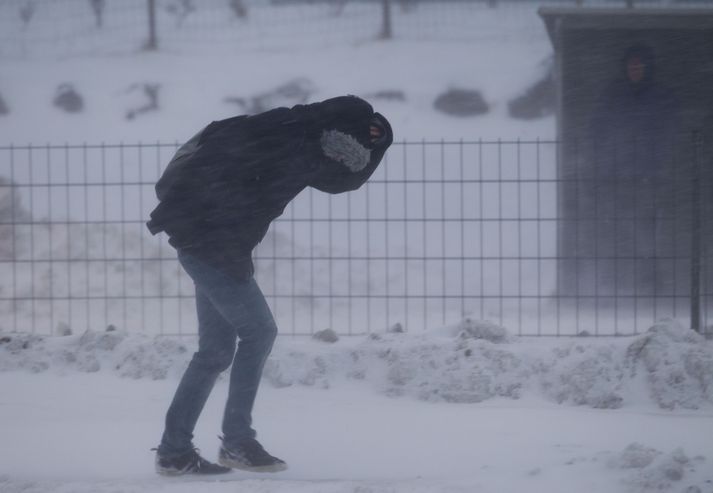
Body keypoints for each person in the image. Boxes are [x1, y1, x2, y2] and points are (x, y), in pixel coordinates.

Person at [146, 95, 393, 476]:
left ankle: (174, 451)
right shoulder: (302, 148)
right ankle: (237, 441)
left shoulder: (282, 127)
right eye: (356, 141)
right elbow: (346, 178)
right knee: (260, 332)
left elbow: (340, 172)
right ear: (341, 136)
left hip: (202, 239)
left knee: (214, 351)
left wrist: (373, 138)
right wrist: (379, 144)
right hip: (214, 246)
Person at [584, 43, 680, 294]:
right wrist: (603, 163)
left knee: (647, 233)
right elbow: (596, 131)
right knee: (614, 230)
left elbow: (669, 135)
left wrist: (657, 165)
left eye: (639, 65)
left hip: (649, 178)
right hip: (615, 178)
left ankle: (650, 285)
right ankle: (613, 285)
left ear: (648, 68)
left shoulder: (660, 97)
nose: (635, 70)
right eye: (631, 65)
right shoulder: (613, 96)